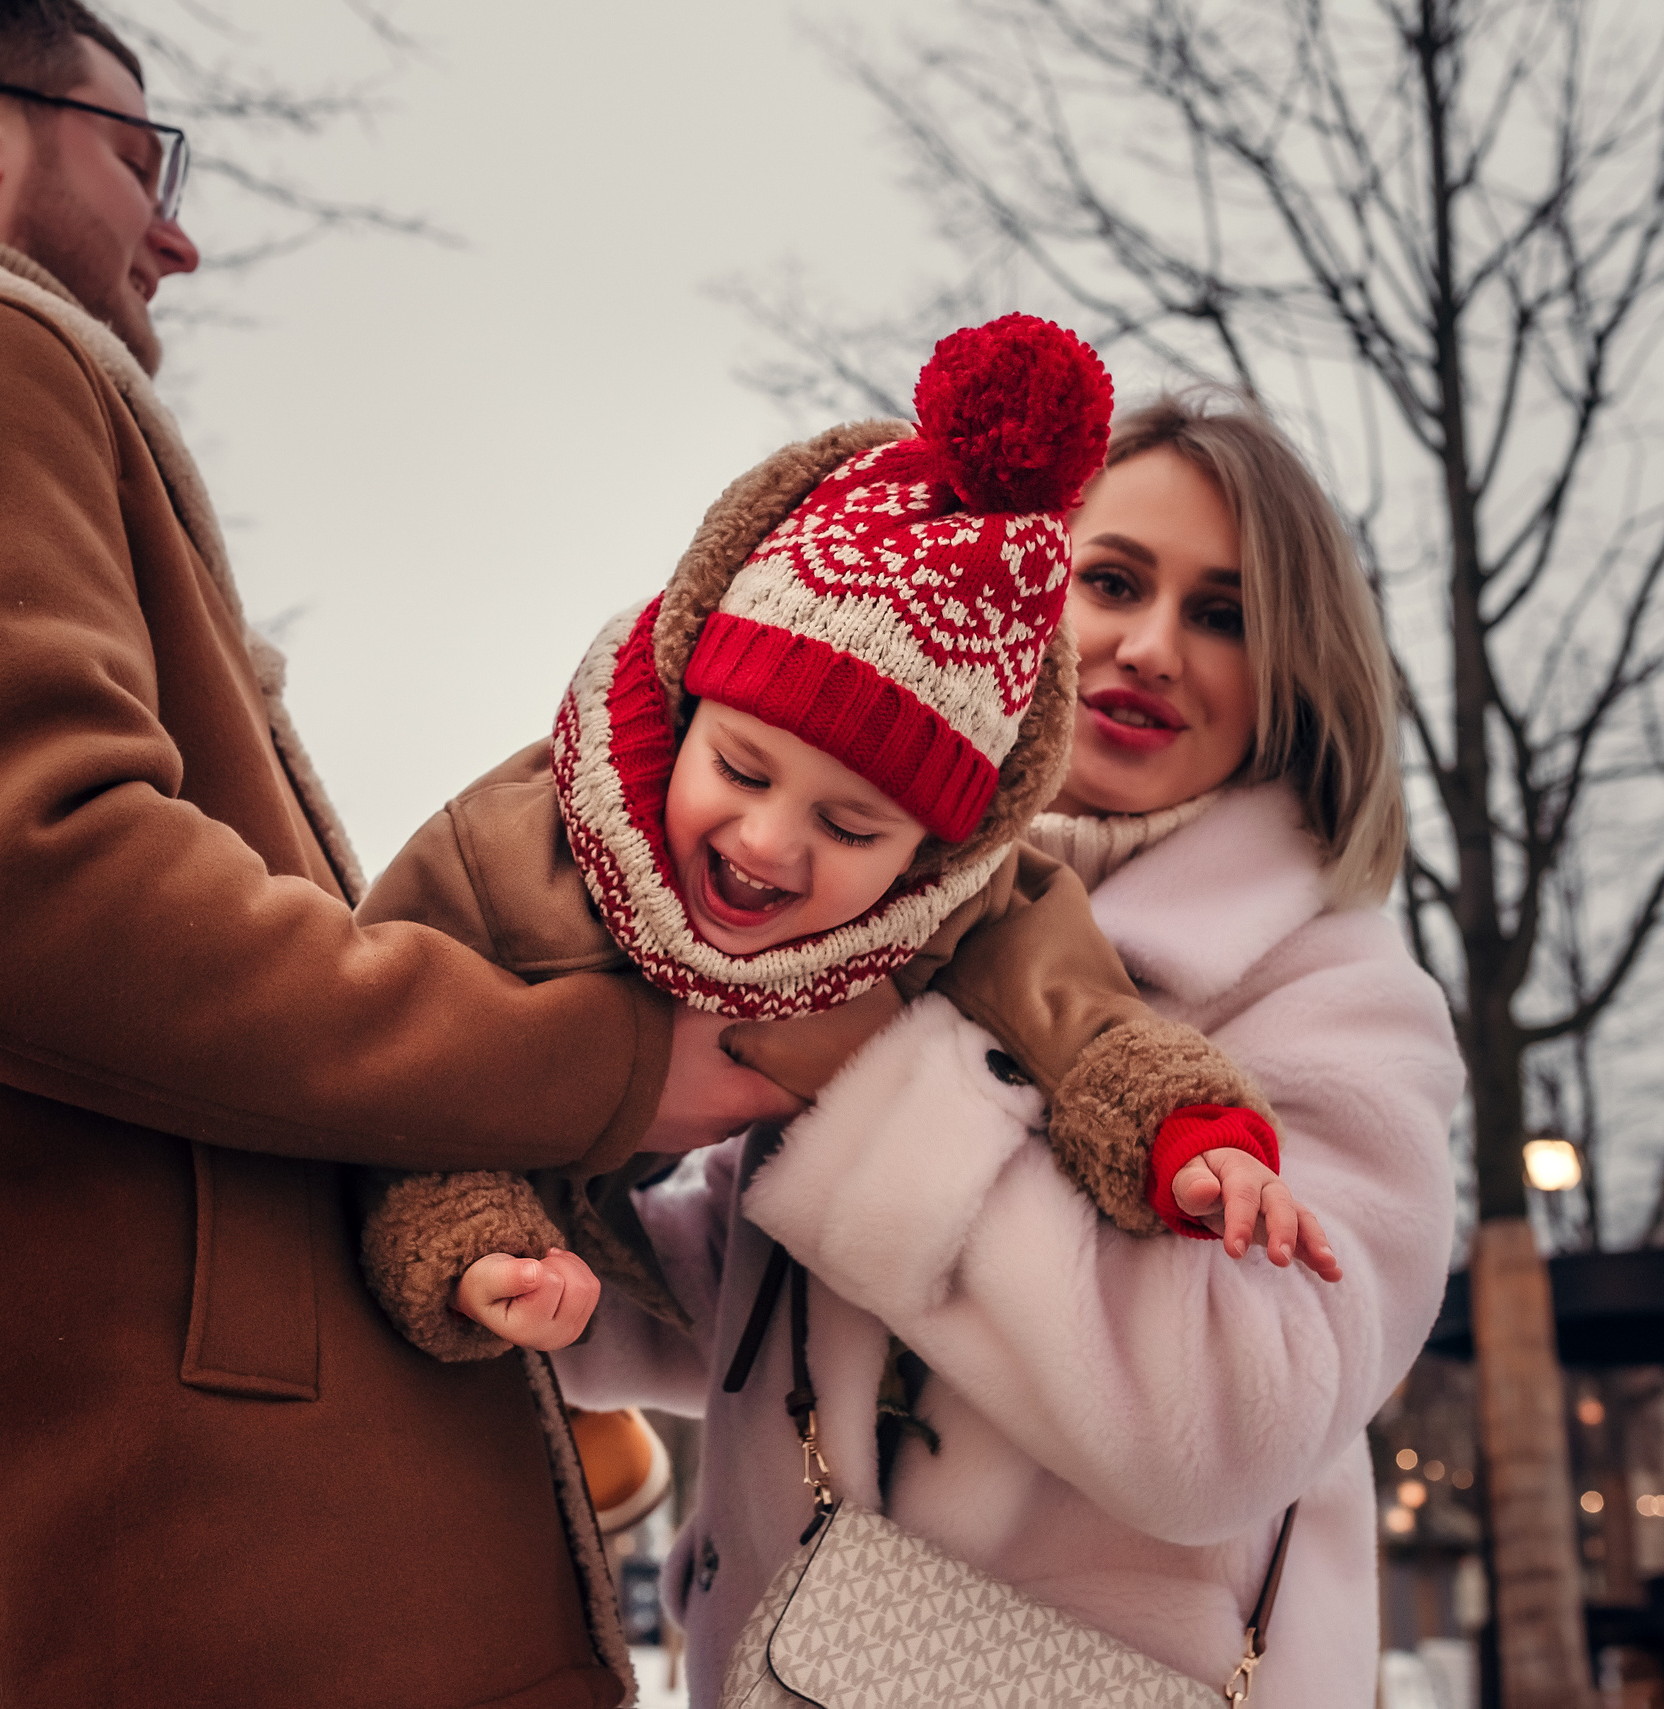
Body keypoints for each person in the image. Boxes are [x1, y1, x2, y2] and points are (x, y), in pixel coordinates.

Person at [0, 3, 796, 1706]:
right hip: (219, 1556)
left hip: (191, 1548)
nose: (173, 233)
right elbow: (32, 887)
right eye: (138, 156)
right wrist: (607, 1061)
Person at [557, 385, 1465, 1705]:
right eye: (1112, 580)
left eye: (1222, 615)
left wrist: (865, 1082)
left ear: (1295, 670)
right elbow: (757, 1296)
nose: (1151, 646)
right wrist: (560, 1170)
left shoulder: (1336, 1000)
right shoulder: (895, 917)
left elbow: (1224, 1419)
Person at [350, 320, 1336, 1387]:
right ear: (689, 716)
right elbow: (383, 1014)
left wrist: (1182, 1127)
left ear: (931, 851)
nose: (768, 841)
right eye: (740, 768)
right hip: (481, 1170)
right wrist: (502, 1239)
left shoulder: (982, 904)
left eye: (853, 827)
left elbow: (1082, 1017)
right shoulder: (528, 838)